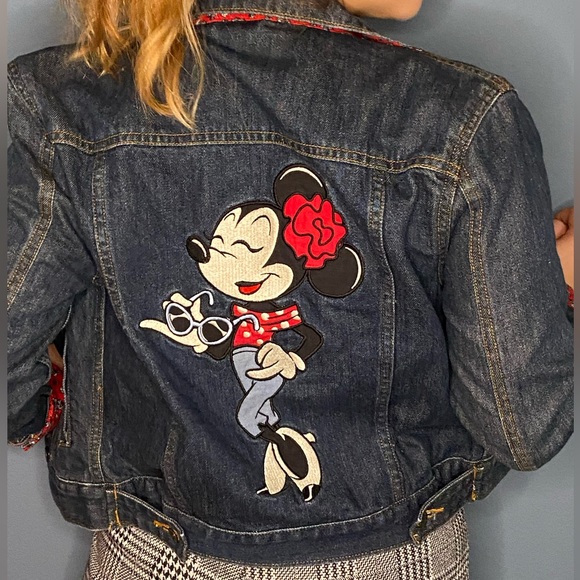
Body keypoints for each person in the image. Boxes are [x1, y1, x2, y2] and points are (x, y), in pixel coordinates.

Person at [7, 0, 573, 578]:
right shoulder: (464, 121)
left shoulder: (69, 108)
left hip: (154, 553)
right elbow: (525, 428)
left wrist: (54, 407)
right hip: (396, 557)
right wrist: (558, 285)